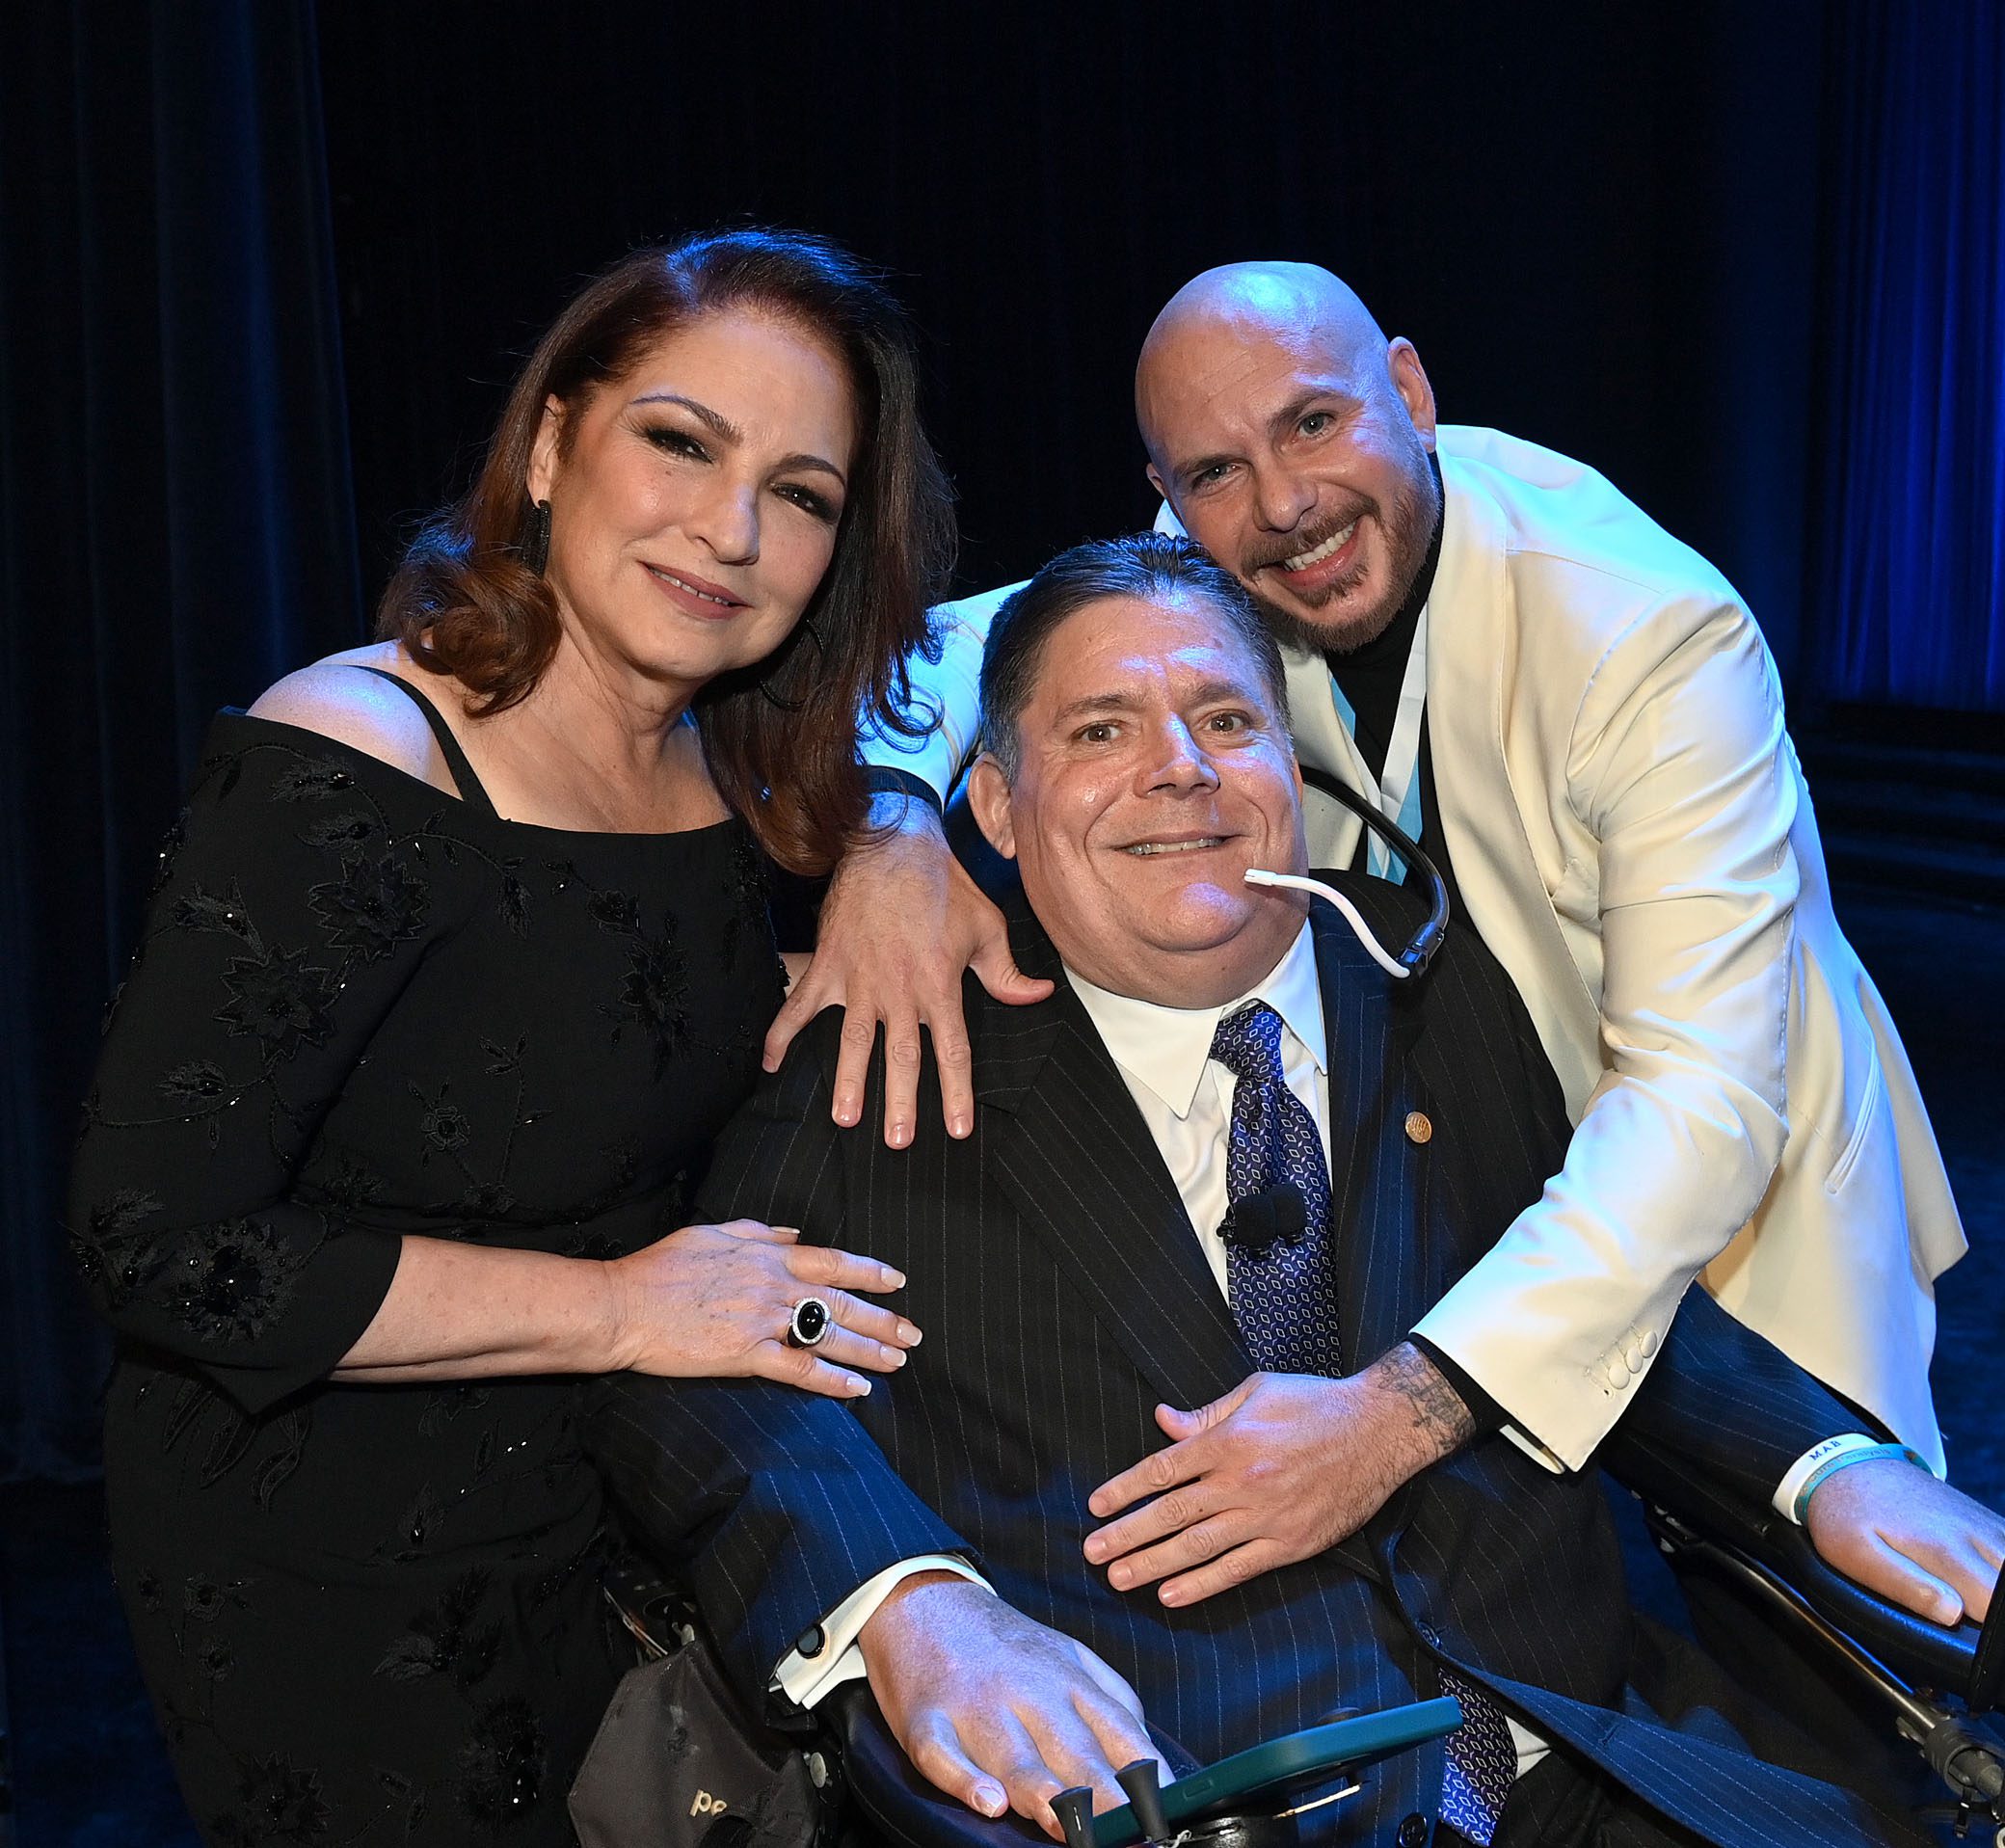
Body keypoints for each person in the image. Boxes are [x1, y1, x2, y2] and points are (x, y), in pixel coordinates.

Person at [589, 536, 2003, 1848]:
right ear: (999, 809)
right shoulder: (891, 1041)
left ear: (1290, 759)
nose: (1181, 770)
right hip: (1202, 1786)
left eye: (1226, 718)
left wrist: (1824, 1464)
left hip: (1595, 1753)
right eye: (1101, 732)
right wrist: (917, 1609)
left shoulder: (1431, 974)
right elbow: (707, 1375)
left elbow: (1580, 1278)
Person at [777, 260, 1965, 1499]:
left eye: (1312, 421)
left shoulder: (1652, 633)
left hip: (1740, 1230)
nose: (1283, 505)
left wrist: (1402, 1410)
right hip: (1493, 1209)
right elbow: (962, 648)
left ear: (1408, 388)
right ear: (1169, 495)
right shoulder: (1208, 550)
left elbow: (1696, 1102)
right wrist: (895, 832)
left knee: (1822, 1625)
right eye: (1215, 472)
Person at [67, 229, 955, 1847]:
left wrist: (898, 833)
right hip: (332, 1569)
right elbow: (156, 1245)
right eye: (680, 442)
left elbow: (969, 718)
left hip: (615, 1528)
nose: (733, 528)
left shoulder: (728, 775)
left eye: (805, 492)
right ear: (551, 445)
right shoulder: (360, 751)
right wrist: (624, 1306)